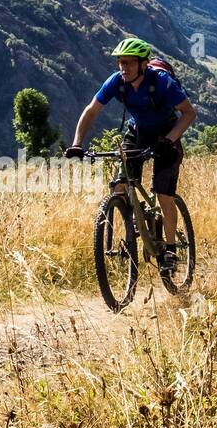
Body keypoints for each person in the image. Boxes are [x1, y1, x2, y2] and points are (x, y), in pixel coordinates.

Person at [66, 37, 197, 275]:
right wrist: (77, 144)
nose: (123, 68)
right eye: (120, 62)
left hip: (167, 133)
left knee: (164, 195)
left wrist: (169, 140)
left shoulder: (163, 82)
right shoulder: (117, 82)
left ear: (143, 64)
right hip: (137, 133)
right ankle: (131, 222)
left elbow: (189, 113)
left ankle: (170, 251)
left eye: (128, 63)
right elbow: (91, 110)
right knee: (119, 186)